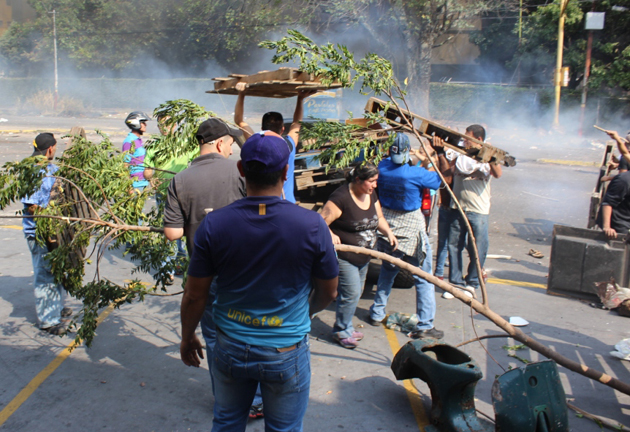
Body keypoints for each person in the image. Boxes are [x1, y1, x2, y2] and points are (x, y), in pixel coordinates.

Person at [179, 130, 339, 432]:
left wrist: (187, 336)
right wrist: (303, 314)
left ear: (241, 170)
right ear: (286, 171)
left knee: (226, 422)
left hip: (230, 347)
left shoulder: (215, 224)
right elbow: (329, 292)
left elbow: (195, 295)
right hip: (286, 352)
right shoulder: (311, 225)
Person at [163, 116, 247, 409]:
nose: (233, 150)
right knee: (246, 333)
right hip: (242, 271)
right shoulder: (240, 173)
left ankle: (224, 399)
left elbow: (172, 233)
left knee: (214, 337)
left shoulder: (181, 179)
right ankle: (255, 400)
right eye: (231, 144)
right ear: (221, 143)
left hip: (204, 273)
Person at [367, 133, 446, 340]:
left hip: (388, 225)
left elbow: (400, 166)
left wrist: (421, 157)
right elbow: (443, 180)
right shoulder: (416, 174)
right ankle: (425, 324)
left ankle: (377, 312)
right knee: (423, 276)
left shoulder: (382, 168)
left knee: (388, 269)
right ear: (406, 152)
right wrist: (440, 154)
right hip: (411, 227)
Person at [321, 163, 398, 349]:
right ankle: (341, 331)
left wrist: (389, 233)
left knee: (354, 293)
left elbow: (378, 218)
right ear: (358, 180)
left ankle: (346, 325)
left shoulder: (371, 195)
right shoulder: (341, 198)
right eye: (371, 181)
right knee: (351, 293)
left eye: (376, 181)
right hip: (345, 256)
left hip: (364, 255)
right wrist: (330, 234)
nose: (374, 186)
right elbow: (320, 221)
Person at [21, 133, 72, 335]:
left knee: (55, 271)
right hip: (38, 232)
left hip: (52, 230)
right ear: (50, 148)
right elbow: (32, 206)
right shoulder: (34, 171)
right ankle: (48, 321)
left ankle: (56, 308)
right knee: (44, 274)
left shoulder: (51, 169)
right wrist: (51, 212)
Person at [445, 125, 502, 298]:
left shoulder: (487, 155)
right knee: (454, 245)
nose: (465, 140)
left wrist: (491, 156)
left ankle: (472, 282)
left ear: (478, 139)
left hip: (478, 210)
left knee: (478, 247)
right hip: (458, 207)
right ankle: (455, 283)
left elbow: (498, 173)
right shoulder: (460, 152)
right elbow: (449, 168)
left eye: (467, 138)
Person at [234, 84, 315, 203]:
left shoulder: (255, 143)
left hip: (259, 205)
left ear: (262, 127)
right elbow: (296, 123)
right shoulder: (289, 144)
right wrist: (300, 99)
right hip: (287, 204)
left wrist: (241, 94)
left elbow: (239, 121)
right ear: (282, 129)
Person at [122, 111, 151, 191]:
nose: (145, 125)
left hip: (143, 183)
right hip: (135, 185)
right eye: (143, 122)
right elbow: (125, 164)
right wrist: (129, 188)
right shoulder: (129, 141)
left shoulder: (138, 140)